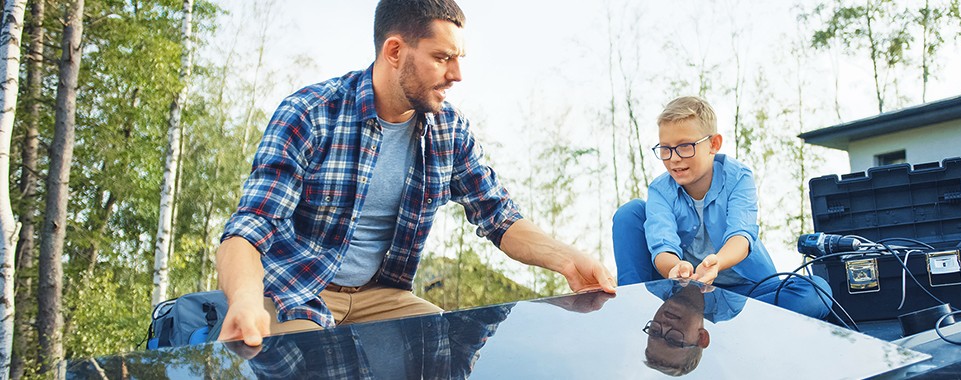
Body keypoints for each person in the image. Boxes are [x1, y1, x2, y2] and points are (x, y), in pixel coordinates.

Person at [216, 0, 616, 349]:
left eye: (460, 59)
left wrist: (568, 259)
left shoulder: (449, 131)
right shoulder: (311, 113)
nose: (457, 74)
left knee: (442, 354)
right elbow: (250, 227)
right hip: (298, 291)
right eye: (442, 58)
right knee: (311, 363)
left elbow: (500, 217)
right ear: (394, 51)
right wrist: (246, 300)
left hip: (383, 298)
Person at [612, 96, 832, 319]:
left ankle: (740, 326)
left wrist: (717, 263)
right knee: (630, 212)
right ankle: (634, 310)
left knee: (815, 291)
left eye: (685, 147)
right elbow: (662, 244)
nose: (674, 159)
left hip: (748, 293)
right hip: (689, 293)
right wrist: (676, 268)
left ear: (714, 145)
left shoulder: (738, 177)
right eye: (666, 149)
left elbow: (741, 235)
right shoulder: (661, 190)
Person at [641, 279, 742, 376]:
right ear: (702, 337)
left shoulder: (654, 283)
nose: (665, 326)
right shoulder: (726, 306)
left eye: (654, 332)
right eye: (673, 340)